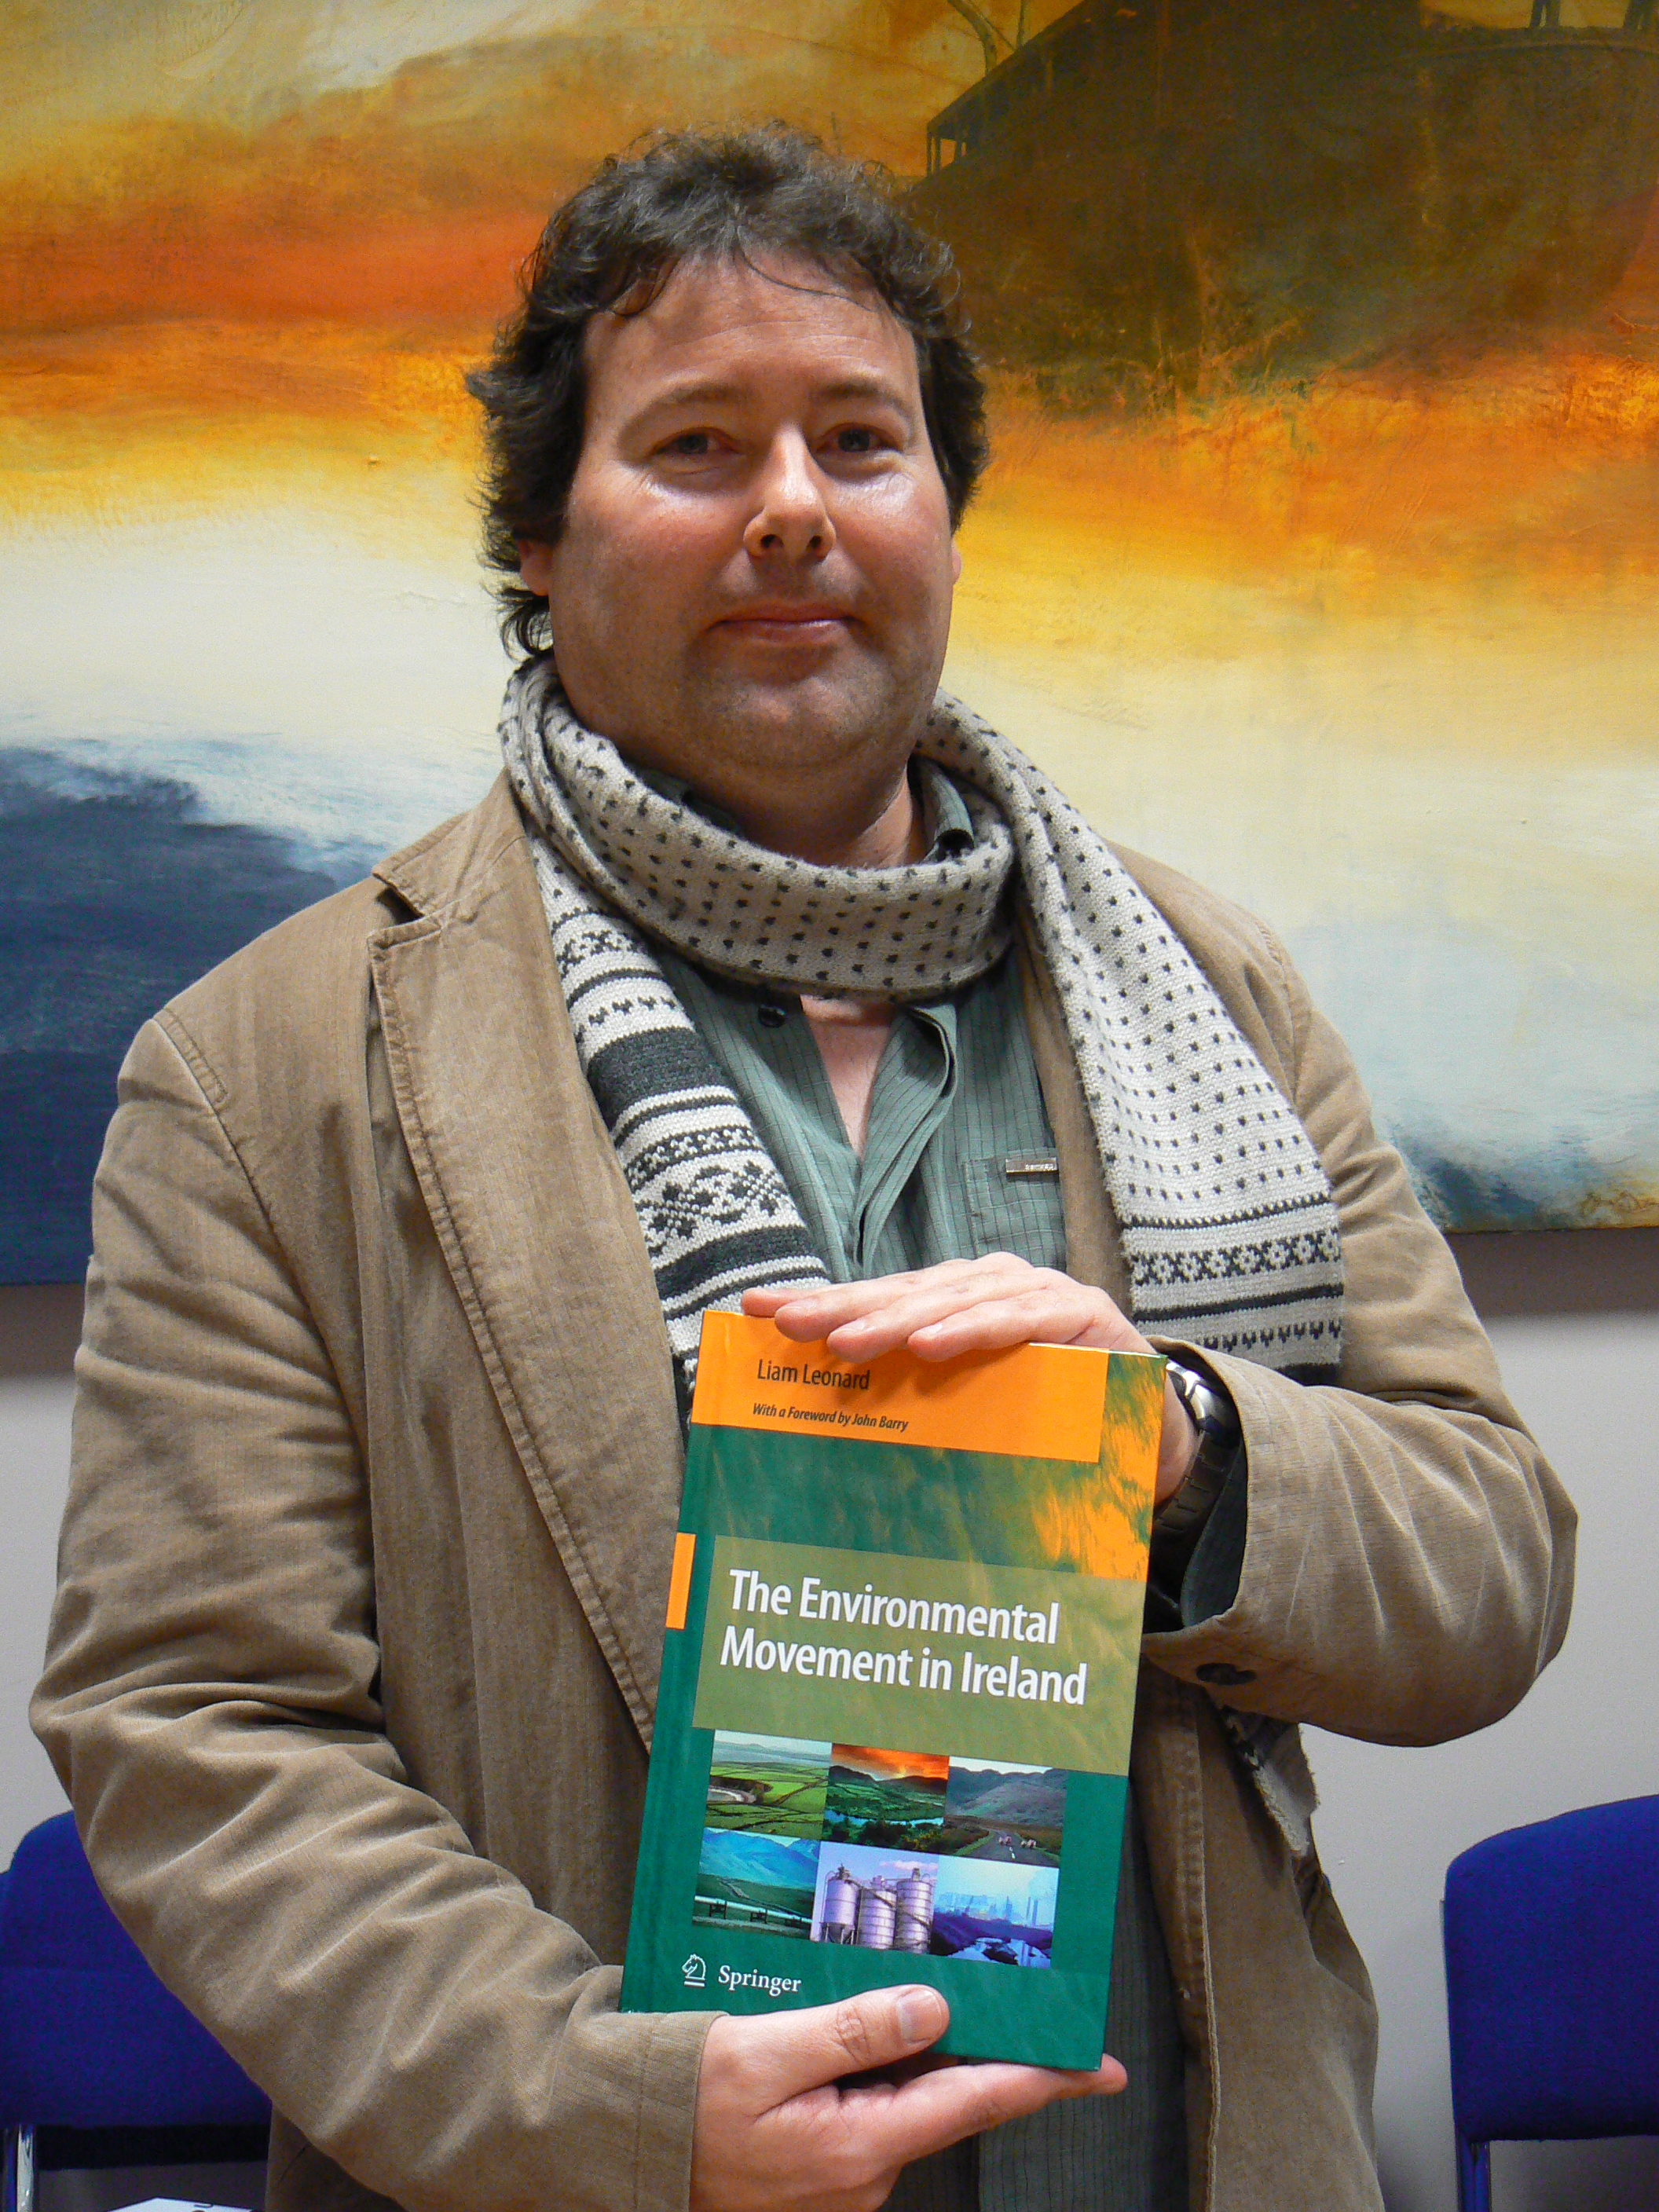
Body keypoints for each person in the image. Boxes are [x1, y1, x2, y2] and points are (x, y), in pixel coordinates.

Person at [35, 129, 1574, 2212]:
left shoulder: (1208, 988)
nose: (792, 508)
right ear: (539, 541)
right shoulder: (262, 1076)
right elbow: (202, 1734)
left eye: (861, 441)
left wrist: (1192, 1446)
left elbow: (1490, 1564)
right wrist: (614, 2111)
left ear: (942, 512)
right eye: (693, 446)